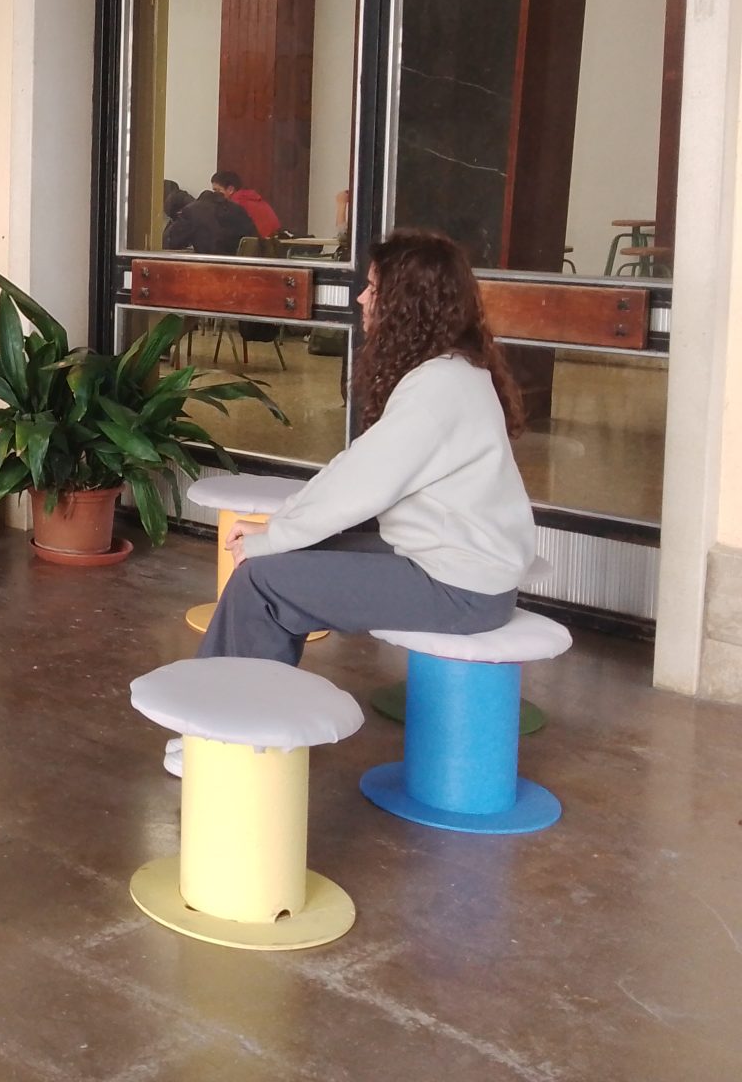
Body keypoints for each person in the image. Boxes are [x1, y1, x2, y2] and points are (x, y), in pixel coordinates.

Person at [171, 231, 533, 774]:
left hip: (459, 588)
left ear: (408, 304)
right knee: (281, 562)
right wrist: (282, 528)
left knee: (262, 582)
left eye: (373, 288)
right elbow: (357, 470)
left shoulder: (438, 389)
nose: (362, 298)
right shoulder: (454, 372)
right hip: (461, 570)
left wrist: (274, 537)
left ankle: (223, 738)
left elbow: (361, 485)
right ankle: (225, 720)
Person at [163, 184, 258, 256]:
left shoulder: (191, 212)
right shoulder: (237, 208)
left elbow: (172, 243)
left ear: (178, 211)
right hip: (242, 267)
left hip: (210, 267)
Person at [211, 170, 283, 239]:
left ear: (230, 190)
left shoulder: (235, 205)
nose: (215, 194)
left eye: (217, 190)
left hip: (257, 244)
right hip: (275, 242)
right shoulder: (255, 200)